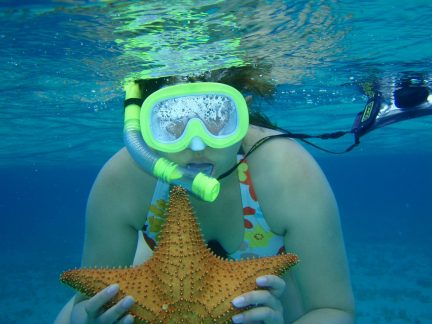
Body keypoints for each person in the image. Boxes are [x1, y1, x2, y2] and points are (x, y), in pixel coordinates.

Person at [56, 66, 355, 323]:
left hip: (271, 298)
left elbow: (334, 309)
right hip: (159, 285)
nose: (196, 144)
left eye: (215, 115)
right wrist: (90, 317)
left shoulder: (287, 170)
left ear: (242, 112)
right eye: (172, 120)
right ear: (146, 126)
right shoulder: (125, 178)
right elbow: (86, 302)